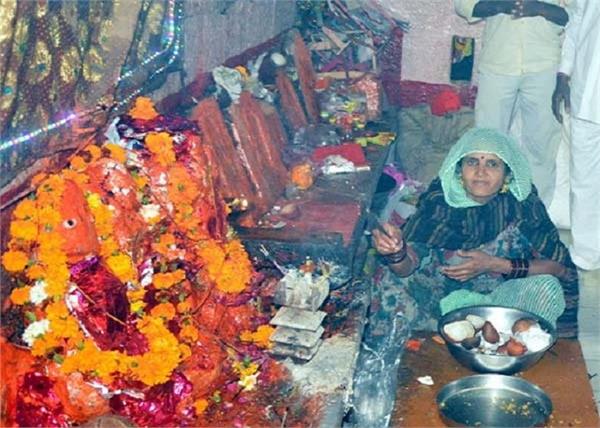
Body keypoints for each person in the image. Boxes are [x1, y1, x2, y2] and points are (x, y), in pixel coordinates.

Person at [371, 127, 578, 339]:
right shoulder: (438, 203)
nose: (481, 171)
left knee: (546, 287)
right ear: (459, 169)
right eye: (472, 162)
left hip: (503, 307)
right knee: (388, 277)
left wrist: (494, 264)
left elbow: (559, 269)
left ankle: (514, 346)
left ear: (507, 173)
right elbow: (406, 268)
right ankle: (416, 352)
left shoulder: (523, 207)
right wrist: (396, 252)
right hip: (439, 306)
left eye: (492, 163)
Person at [454, 0, 569, 207]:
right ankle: (484, 210)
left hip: (544, 64)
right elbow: (464, 6)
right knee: (487, 141)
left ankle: (535, 213)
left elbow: (572, 14)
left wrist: (539, 8)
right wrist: (500, 5)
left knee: (542, 144)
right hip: (498, 62)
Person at [552, 0, 600, 271]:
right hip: (587, 93)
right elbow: (576, 22)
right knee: (583, 180)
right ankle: (586, 254)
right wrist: (563, 74)